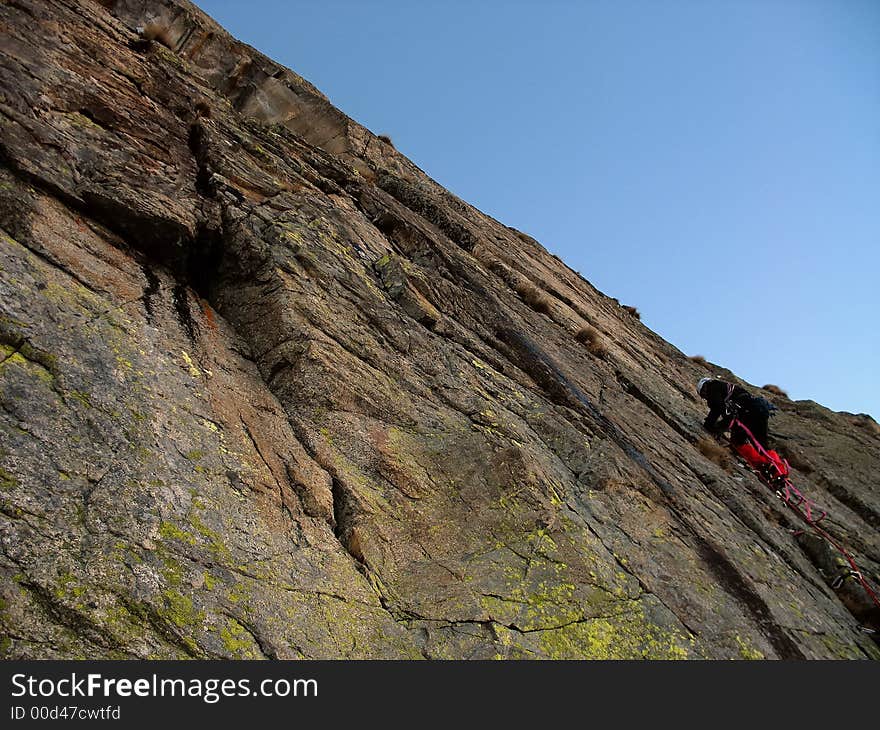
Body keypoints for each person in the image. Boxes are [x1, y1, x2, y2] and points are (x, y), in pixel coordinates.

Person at [697, 377, 788, 480]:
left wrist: (713, 427)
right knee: (762, 444)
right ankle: (779, 471)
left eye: (703, 394)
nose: (705, 398)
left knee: (738, 442)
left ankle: (762, 465)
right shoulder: (727, 388)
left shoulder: (713, 387)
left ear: (704, 387)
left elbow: (718, 408)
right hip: (759, 411)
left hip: (747, 414)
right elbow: (719, 409)